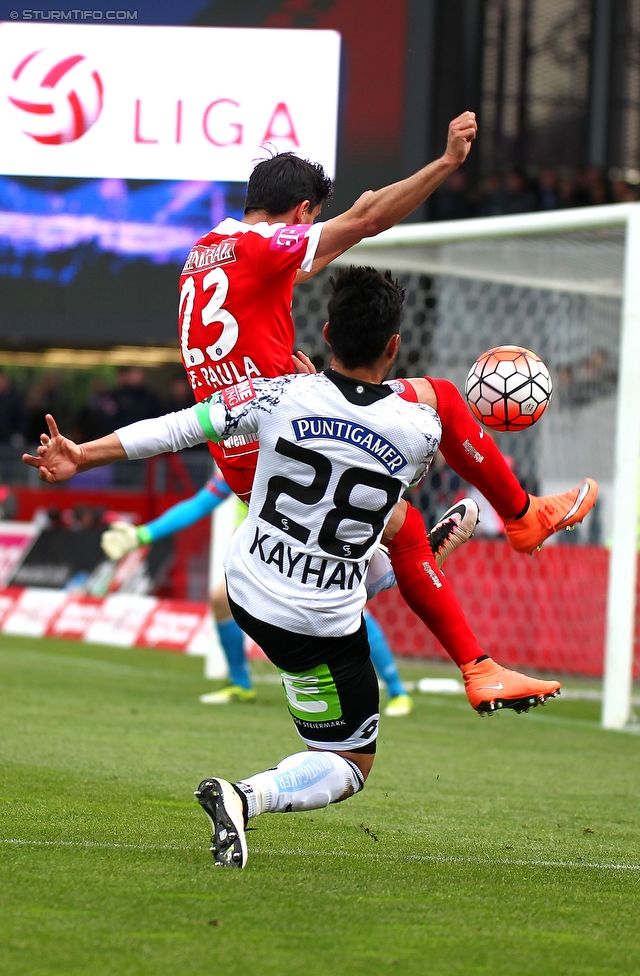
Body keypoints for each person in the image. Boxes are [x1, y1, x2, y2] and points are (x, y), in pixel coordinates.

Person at [24, 267, 563, 869]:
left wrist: (83, 454)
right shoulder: (419, 429)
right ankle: (246, 795)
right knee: (350, 762)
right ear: (394, 346)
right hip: (319, 625)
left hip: (249, 593)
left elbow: (176, 428)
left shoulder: (274, 394)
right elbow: (404, 428)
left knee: (370, 539)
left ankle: (415, 559)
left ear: (327, 332)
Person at [175, 112, 597, 709]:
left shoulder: (205, 252)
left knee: (405, 529)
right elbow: (368, 217)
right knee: (444, 401)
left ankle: (475, 664)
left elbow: (229, 344)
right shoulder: (267, 247)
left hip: (247, 441)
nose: (316, 234)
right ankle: (522, 516)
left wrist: (280, 375)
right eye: (314, 219)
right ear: (300, 212)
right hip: (287, 434)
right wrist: (448, 162)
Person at [101, 470, 479, 717]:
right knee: (221, 599)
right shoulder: (236, 452)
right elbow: (200, 504)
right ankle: (240, 684)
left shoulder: (282, 439)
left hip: (307, 548)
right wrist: (141, 535)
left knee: (349, 608)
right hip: (263, 555)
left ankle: (397, 689)